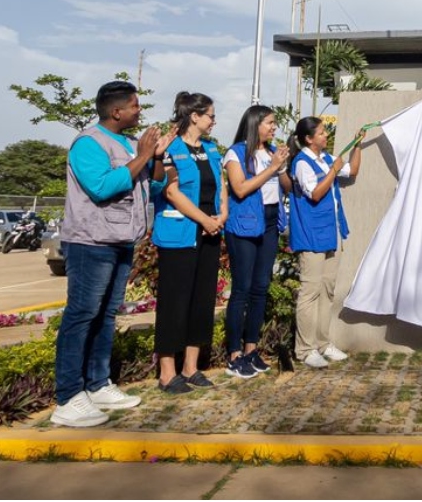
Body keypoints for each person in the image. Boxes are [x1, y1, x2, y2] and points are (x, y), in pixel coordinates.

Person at [53, 80, 169, 428]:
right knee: (82, 314)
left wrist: (157, 157)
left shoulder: (133, 143)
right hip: (91, 241)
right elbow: (103, 187)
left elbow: (157, 184)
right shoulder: (88, 143)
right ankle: (68, 397)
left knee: (105, 315)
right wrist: (145, 155)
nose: (139, 110)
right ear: (116, 112)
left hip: (121, 240)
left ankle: (98, 383)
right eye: (134, 105)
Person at [151, 91, 227, 395]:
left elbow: (220, 188)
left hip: (210, 233)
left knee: (202, 299)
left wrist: (221, 215)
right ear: (194, 116)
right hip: (180, 234)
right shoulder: (171, 149)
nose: (213, 120)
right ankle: (167, 372)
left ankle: (191, 367)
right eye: (210, 115)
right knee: (174, 302)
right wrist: (204, 220)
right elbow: (171, 192)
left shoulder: (211, 150)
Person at [288, 116, 366, 369]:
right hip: (311, 234)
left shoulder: (328, 159)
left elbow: (352, 171)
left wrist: (358, 145)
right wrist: (333, 171)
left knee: (327, 289)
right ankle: (305, 348)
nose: (326, 135)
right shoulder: (302, 163)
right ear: (309, 139)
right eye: (321, 133)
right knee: (310, 292)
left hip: (332, 232)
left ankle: (322, 343)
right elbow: (315, 193)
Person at [221, 104, 292, 379]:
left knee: (261, 287)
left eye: (274, 123)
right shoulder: (237, 152)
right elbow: (240, 188)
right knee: (243, 288)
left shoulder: (272, 152)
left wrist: (282, 167)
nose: (274, 127)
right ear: (255, 124)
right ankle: (234, 354)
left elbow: (287, 187)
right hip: (246, 223)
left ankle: (252, 349)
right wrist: (271, 169)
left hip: (271, 220)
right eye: (270, 123)